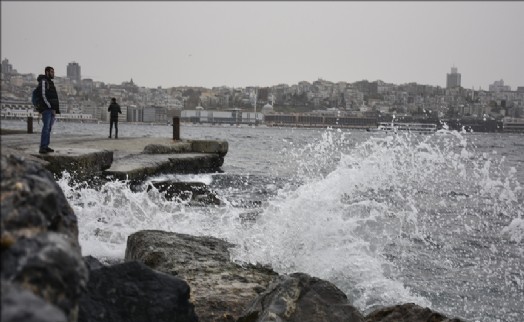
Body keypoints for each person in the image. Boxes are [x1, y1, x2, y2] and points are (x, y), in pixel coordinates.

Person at [37, 66, 60, 154]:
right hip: (47, 109)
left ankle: (46, 146)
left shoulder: (50, 82)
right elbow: (43, 95)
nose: (53, 73)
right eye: (51, 72)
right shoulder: (43, 81)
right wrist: (50, 106)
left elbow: (53, 96)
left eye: (53, 72)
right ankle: (42, 147)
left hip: (52, 110)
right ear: (47, 72)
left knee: (49, 128)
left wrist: (55, 109)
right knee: (46, 128)